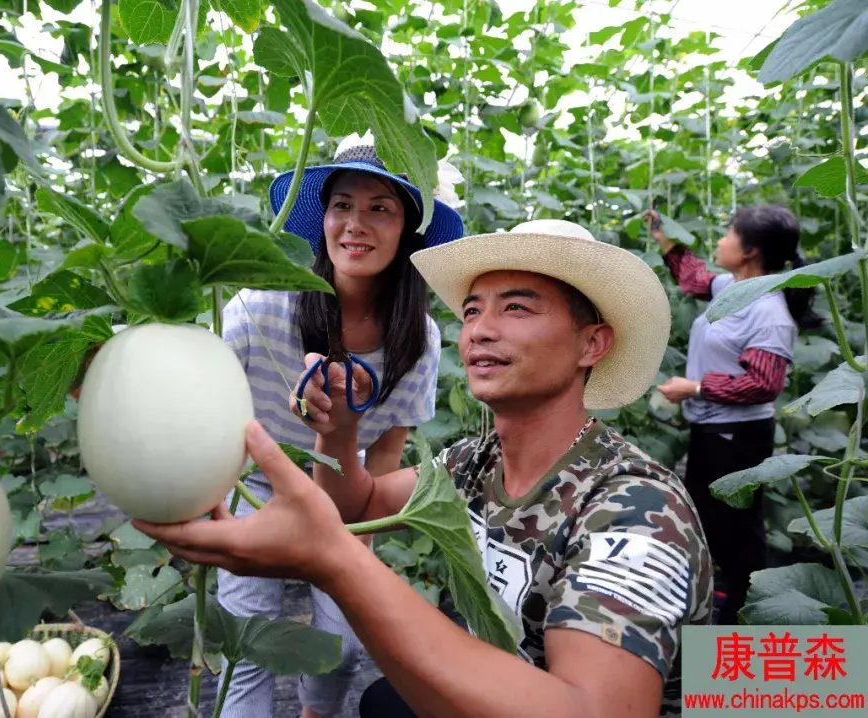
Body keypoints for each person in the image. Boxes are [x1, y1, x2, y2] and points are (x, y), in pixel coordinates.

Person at [135, 219, 715, 718]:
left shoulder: (636, 506)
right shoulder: (474, 461)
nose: (480, 330)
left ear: (593, 344)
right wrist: (340, 430)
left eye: (516, 307)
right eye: (471, 310)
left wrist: (334, 562)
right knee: (383, 701)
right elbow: (355, 507)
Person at [214, 134, 466, 718]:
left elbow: (385, 455)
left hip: (346, 500)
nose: (355, 224)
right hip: (254, 484)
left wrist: (354, 545)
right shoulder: (260, 305)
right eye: (342, 205)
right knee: (244, 645)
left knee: (342, 647)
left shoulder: (417, 337)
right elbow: (214, 414)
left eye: (380, 208)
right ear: (323, 219)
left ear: (409, 230)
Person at [644, 206, 822, 626]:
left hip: (738, 436)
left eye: (728, 233)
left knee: (737, 529)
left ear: (750, 251)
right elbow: (694, 279)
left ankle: (745, 615)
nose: (720, 239)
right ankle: (726, 602)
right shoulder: (734, 286)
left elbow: (763, 384)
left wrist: (694, 386)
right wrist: (664, 238)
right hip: (714, 428)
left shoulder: (768, 311)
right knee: (710, 519)